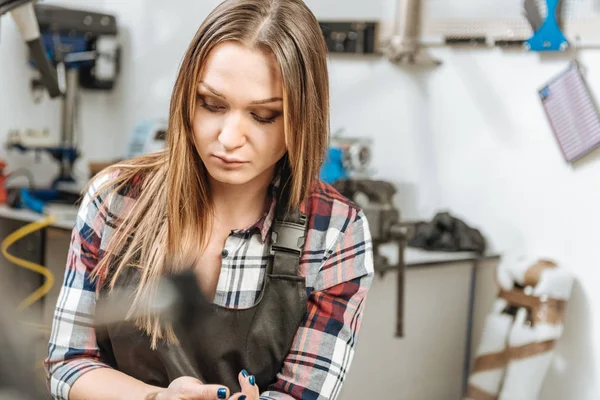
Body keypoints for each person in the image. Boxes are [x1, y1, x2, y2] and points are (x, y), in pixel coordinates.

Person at [45, 0, 374, 399]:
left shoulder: (335, 231)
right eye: (212, 104)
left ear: (303, 118)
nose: (229, 137)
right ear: (186, 97)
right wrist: (155, 398)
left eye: (264, 115)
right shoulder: (116, 201)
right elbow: (69, 362)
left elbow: (304, 392)